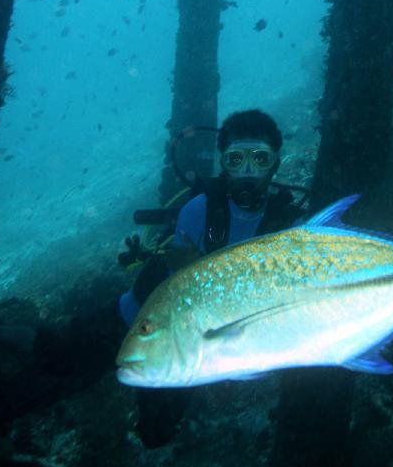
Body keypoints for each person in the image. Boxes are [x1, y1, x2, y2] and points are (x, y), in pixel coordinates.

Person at [118, 109, 304, 448]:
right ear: (223, 164)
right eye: (236, 160)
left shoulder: (288, 221)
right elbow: (180, 304)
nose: (248, 172)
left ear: (275, 164)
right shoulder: (197, 210)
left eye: (260, 159)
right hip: (176, 314)